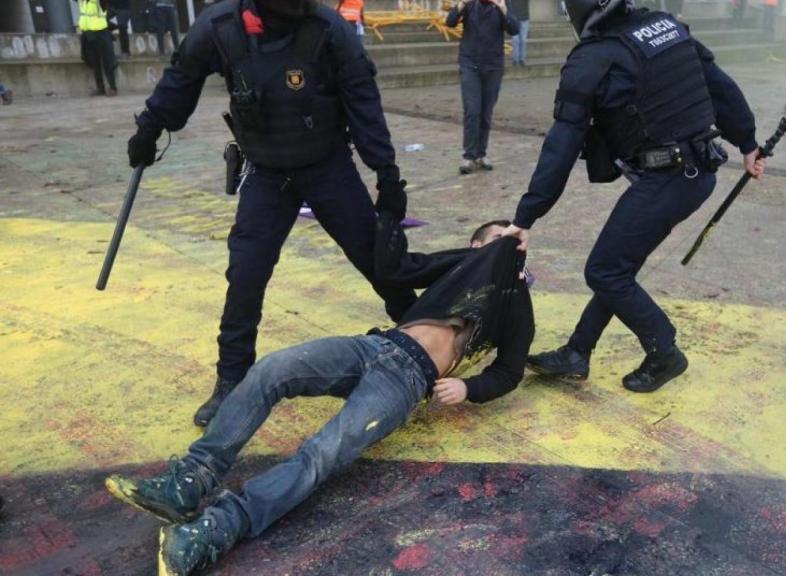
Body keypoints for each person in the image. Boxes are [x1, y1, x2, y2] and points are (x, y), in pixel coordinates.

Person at [104, 189, 535, 576]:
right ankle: (188, 481)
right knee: (272, 370)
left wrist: (470, 388)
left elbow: (509, 372)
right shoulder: (457, 264)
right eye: (499, 240)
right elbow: (394, 270)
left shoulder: (516, 303)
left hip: (409, 379)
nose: (508, 248)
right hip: (373, 346)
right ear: (475, 246)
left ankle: (217, 529)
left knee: (324, 451)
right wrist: (389, 211)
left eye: (514, 243)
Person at [126, 0, 418, 427]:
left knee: (376, 257)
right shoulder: (220, 27)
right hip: (266, 172)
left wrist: (387, 174)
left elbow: (363, 103)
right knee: (246, 272)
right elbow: (180, 79)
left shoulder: (329, 30)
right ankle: (232, 379)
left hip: (327, 166)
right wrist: (150, 127)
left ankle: (425, 336)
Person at [502, 0, 765, 393]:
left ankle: (664, 352)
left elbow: (561, 146)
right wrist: (747, 141)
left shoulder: (592, 58)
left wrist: (525, 217)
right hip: (694, 172)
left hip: (671, 178)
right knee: (618, 266)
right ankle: (577, 351)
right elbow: (719, 85)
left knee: (604, 271)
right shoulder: (665, 26)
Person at [446, 0, 520, 174]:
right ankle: (469, 156)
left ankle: (481, 153)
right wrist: (462, 4)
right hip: (470, 64)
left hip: (493, 66)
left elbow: (514, 29)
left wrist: (502, 8)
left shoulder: (501, 4)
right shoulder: (470, 4)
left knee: (486, 112)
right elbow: (450, 22)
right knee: (472, 110)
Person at [78, 0, 118, 96]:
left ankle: (112, 88)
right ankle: (100, 88)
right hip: (88, 33)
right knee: (94, 62)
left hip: (100, 32)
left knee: (107, 61)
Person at [510, 0, 530, 66]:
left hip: (525, 18)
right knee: (515, 39)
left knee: (523, 40)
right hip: (514, 18)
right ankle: (515, 59)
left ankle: (522, 59)